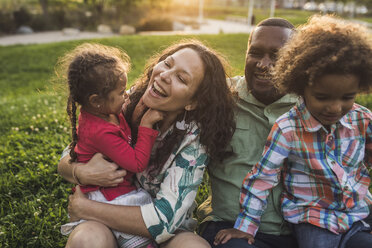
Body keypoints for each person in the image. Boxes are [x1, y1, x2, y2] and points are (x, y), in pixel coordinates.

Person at [57, 40, 236, 248]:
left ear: (193, 102)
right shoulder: (126, 100)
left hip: (161, 233)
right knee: (86, 240)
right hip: (106, 220)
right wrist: (81, 172)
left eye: (181, 78)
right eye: (167, 64)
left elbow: (164, 222)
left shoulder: (194, 140)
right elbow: (69, 156)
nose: (165, 75)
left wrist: (84, 208)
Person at [214, 15, 372, 248]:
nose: (335, 107)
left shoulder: (354, 114)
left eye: (276, 56)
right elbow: (261, 178)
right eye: (256, 53)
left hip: (353, 215)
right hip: (309, 221)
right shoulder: (286, 125)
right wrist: (243, 226)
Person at [196, 18, 298, 248]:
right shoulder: (219, 97)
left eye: (276, 55)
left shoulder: (311, 106)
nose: (263, 64)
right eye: (256, 53)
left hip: (299, 231)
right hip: (228, 228)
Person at [58, 43, 164, 247]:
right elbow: (136, 162)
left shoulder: (104, 110)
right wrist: (147, 125)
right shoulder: (100, 131)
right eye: (122, 91)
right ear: (96, 100)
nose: (127, 95)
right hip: (110, 198)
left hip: (117, 190)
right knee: (140, 240)